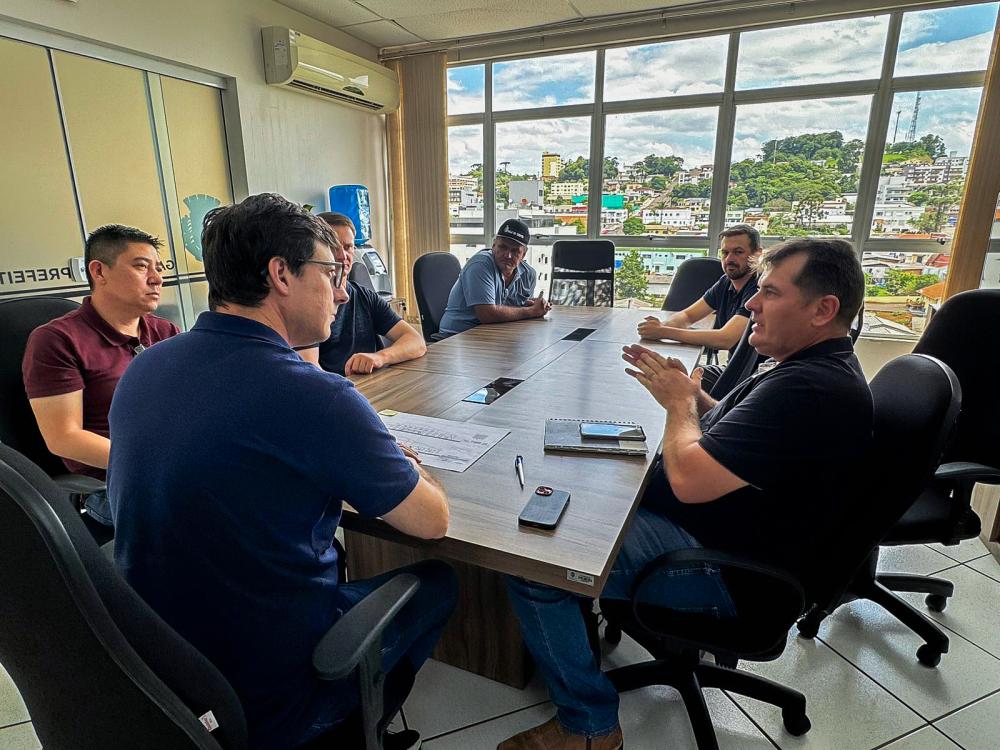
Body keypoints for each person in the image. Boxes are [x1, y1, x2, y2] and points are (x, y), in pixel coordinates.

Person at [107, 194, 457, 750]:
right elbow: (431, 521)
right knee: (440, 582)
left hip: (158, 667)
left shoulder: (146, 366)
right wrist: (412, 467)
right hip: (270, 694)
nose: (343, 293)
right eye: (332, 272)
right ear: (280, 275)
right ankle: (346, 727)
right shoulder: (314, 397)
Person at [499, 238, 873, 750]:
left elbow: (689, 480)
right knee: (577, 489)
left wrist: (678, 408)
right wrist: (694, 394)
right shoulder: (814, 370)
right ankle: (578, 635)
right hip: (729, 534)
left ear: (823, 309)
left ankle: (588, 725)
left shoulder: (812, 388)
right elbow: (740, 438)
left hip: (730, 573)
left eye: (769, 293)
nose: (750, 304)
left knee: (533, 559)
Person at [22, 224, 178, 530]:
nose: (157, 278)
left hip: (171, 470)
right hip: (110, 486)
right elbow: (64, 438)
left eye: (157, 268)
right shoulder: (56, 340)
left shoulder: (165, 332)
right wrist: (153, 464)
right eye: (141, 266)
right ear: (99, 272)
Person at [299, 212, 426, 375]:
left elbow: (416, 341)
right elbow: (312, 370)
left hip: (372, 386)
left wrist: (379, 357)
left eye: (348, 247)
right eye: (333, 247)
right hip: (336, 391)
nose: (343, 255)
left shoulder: (364, 296)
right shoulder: (309, 304)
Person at [637, 224, 762, 388]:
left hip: (751, 379)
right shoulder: (726, 282)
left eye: (738, 252)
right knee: (663, 375)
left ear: (757, 254)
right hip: (732, 370)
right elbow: (688, 316)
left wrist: (664, 332)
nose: (729, 259)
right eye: (725, 252)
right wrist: (660, 326)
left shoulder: (759, 288)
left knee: (674, 383)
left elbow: (726, 339)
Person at [438, 218, 551, 337]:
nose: (507, 255)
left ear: (524, 254)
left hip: (494, 336)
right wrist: (532, 311)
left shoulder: (529, 274)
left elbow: (517, 312)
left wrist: (534, 305)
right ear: (494, 245)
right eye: (502, 247)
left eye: (515, 251)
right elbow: (487, 314)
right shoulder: (480, 265)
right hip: (457, 338)